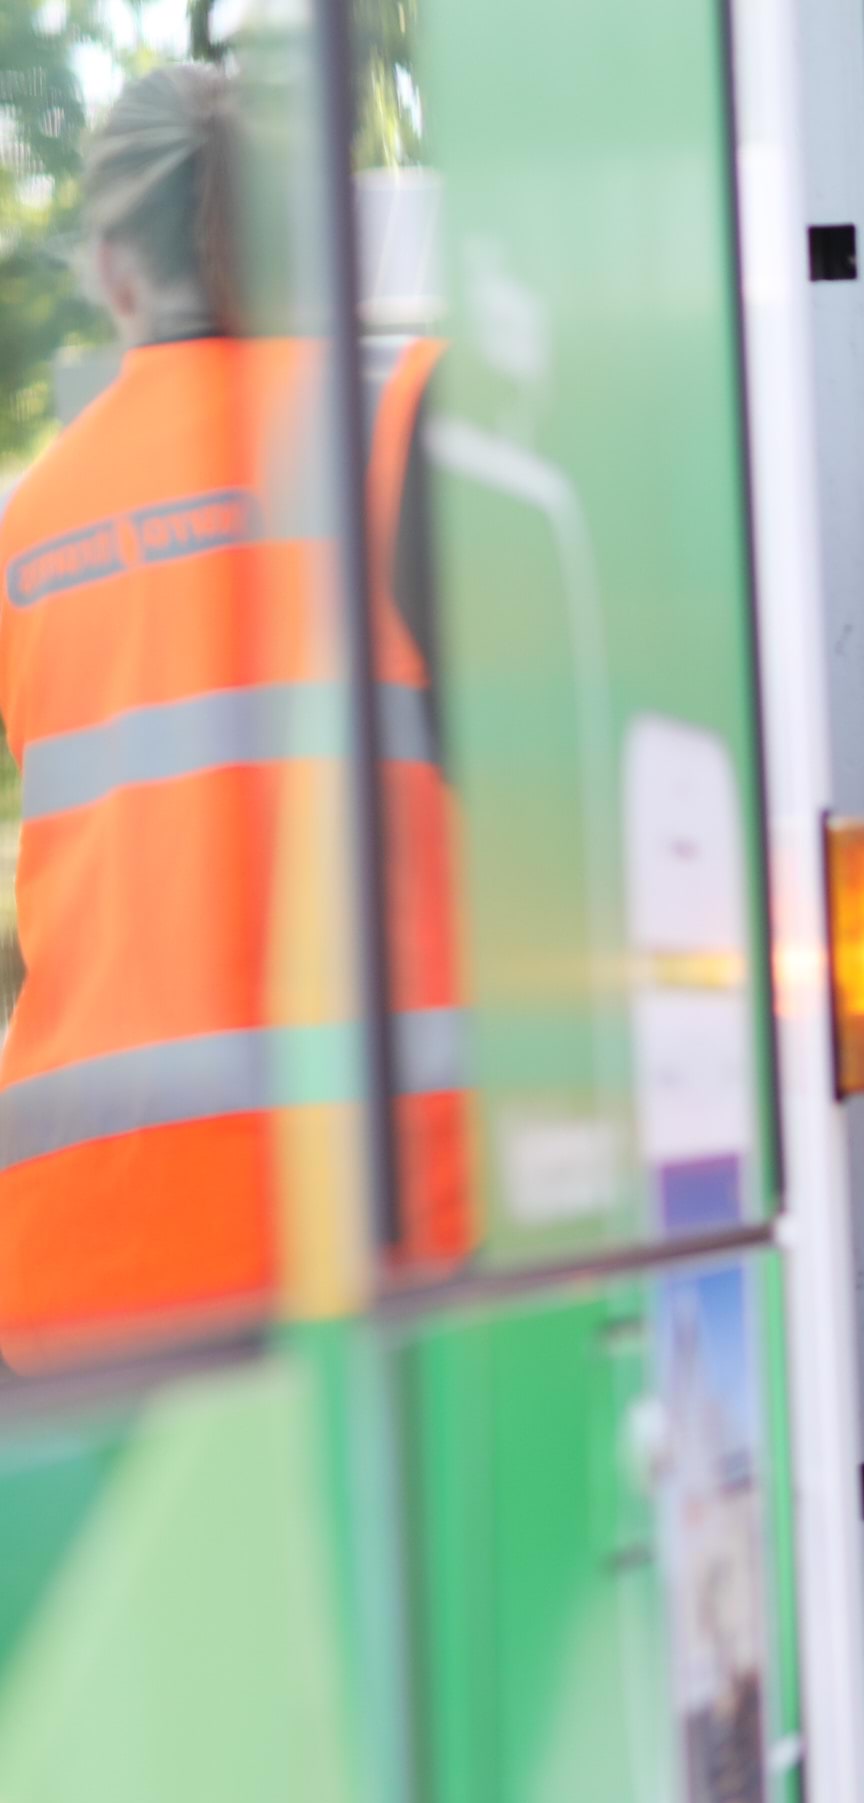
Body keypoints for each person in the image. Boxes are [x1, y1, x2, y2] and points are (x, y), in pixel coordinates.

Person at [0, 64, 468, 1376]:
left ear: (111, 268)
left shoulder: (27, 533)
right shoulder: (408, 418)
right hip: (392, 1221)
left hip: (82, 1261)